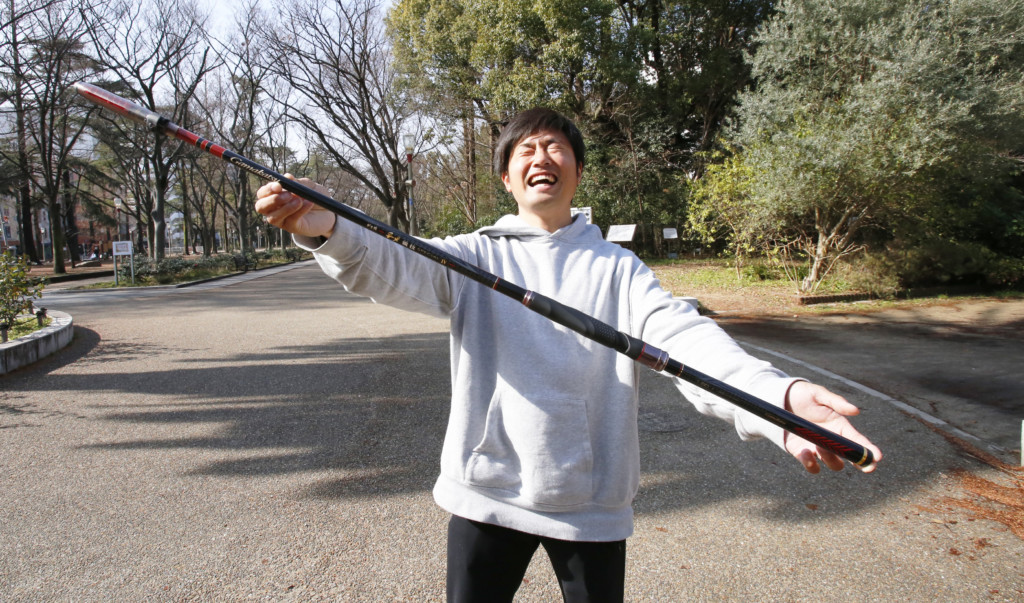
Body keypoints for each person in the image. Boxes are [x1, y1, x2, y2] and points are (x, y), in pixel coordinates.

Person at [255, 108, 882, 602]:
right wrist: (327, 225)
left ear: (577, 172)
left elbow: (685, 338)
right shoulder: (473, 255)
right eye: (525, 150)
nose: (541, 157)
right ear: (507, 178)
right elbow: (388, 262)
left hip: (591, 504)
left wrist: (779, 399)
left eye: (555, 147)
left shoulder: (620, 270)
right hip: (487, 492)